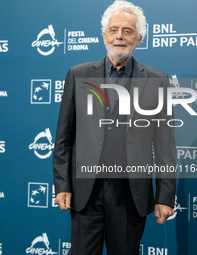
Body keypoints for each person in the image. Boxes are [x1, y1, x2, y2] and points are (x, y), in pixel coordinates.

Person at [53, 1, 176, 254]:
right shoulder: (78, 75)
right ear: (104, 36)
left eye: (127, 31)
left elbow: (165, 145)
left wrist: (165, 196)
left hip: (131, 195)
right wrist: (62, 184)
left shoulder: (158, 80)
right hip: (85, 193)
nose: (119, 36)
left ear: (139, 38)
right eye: (113, 30)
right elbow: (63, 138)